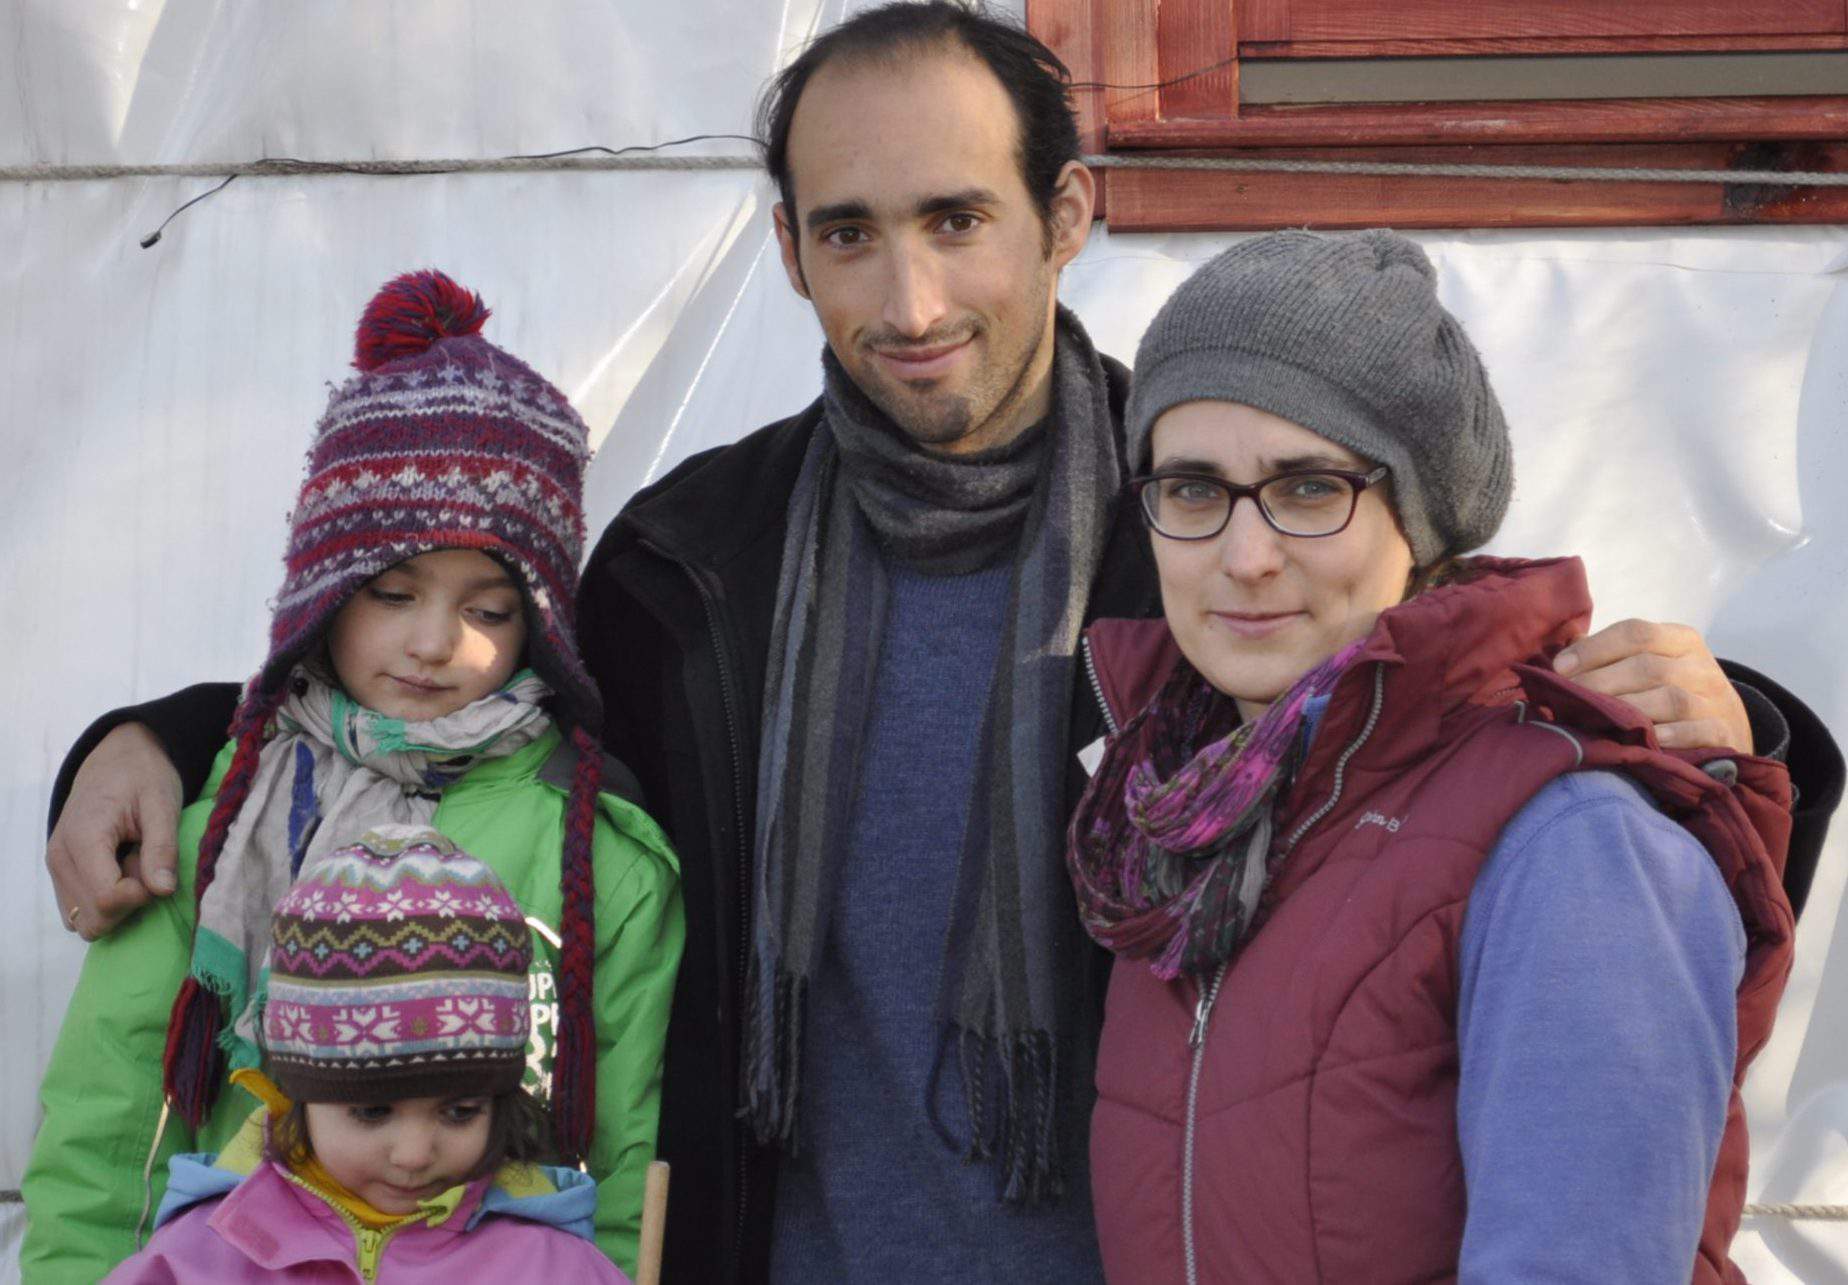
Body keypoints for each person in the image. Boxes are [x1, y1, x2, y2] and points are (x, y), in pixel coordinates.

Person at [39, 7, 1839, 1283]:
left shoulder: (1202, 527)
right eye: (851, 233)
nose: (907, 301)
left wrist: (1744, 723)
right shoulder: (692, 563)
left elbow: (1444, 699)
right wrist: (168, 731)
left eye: (958, 220)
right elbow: (472, 699)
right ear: (789, 253)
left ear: (1066, 216)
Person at [1067, 229, 1795, 1283]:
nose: (1244, 553)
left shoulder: (1573, 840)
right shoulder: (1166, 828)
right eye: (1192, 488)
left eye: (1308, 488)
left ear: (1422, 521)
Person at [23, 271, 682, 1282]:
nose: (435, 642)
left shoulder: (597, 857)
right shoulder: (218, 827)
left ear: (542, 625)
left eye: (489, 608)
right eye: (392, 591)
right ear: (324, 589)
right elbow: (108, 1122)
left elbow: (622, 1159)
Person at [104, 827, 631, 1284]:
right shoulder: (206, 1254)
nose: (414, 1155)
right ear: (298, 1095)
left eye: (460, 1112)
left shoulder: (552, 1266)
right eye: (372, 1111)